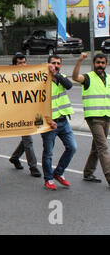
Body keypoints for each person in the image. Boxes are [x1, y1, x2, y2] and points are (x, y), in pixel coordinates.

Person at [72, 53, 110, 187]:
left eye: (103, 63)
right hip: (94, 118)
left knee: (97, 147)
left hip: (106, 117)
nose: (100, 65)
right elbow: (75, 77)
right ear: (94, 63)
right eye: (98, 62)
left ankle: (88, 172)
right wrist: (80, 61)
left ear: (106, 64)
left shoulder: (108, 78)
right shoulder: (88, 77)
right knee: (103, 147)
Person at [40, 55, 76, 190]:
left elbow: (69, 85)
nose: (56, 65)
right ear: (47, 64)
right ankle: (48, 179)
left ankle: (59, 173)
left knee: (72, 147)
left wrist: (57, 75)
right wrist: (48, 120)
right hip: (50, 123)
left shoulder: (62, 77)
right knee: (48, 152)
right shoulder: (42, 79)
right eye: (53, 63)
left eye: (58, 63)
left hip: (63, 120)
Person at [8, 53, 42, 178]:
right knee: (28, 140)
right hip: (18, 112)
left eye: (24, 62)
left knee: (27, 138)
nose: (23, 65)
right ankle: (33, 167)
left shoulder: (30, 75)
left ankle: (15, 157)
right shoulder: (9, 77)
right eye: (20, 63)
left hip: (29, 111)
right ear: (14, 65)